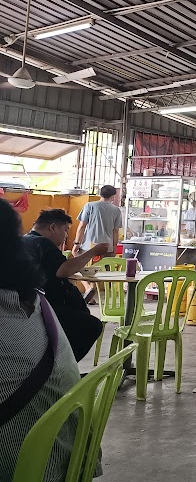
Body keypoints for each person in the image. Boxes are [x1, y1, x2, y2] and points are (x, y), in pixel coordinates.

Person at [0, 199, 99, 480]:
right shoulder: (26, 297)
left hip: (28, 464)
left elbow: (64, 271)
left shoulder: (38, 246)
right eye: (65, 233)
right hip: (67, 454)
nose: (66, 237)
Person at [21, 209, 105, 362]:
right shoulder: (42, 243)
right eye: (65, 230)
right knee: (91, 326)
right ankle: (61, 365)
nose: (66, 236)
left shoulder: (24, 241)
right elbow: (63, 270)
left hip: (34, 304)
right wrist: (93, 251)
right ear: (52, 227)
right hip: (49, 308)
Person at [72, 184, 122, 257]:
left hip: (88, 247)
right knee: (104, 268)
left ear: (100, 194)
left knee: (87, 268)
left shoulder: (89, 206)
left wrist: (76, 244)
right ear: (113, 196)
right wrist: (114, 248)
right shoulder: (116, 210)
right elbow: (115, 231)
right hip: (107, 248)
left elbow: (82, 226)